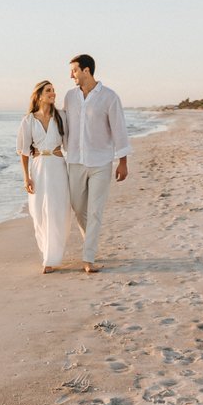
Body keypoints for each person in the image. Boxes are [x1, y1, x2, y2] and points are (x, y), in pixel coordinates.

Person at [62, 54, 132, 273]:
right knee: (78, 206)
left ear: (86, 71)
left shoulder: (109, 97)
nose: (70, 74)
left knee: (94, 212)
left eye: (74, 70)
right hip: (75, 161)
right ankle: (89, 242)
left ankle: (88, 257)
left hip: (101, 162)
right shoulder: (69, 97)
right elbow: (64, 124)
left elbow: (119, 129)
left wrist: (123, 162)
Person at [17, 80, 71, 273]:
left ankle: (51, 258)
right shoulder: (28, 120)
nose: (53, 93)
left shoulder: (61, 116)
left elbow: (70, 145)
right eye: (49, 91)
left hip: (58, 166)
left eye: (54, 90)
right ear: (39, 95)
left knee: (57, 212)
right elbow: (23, 152)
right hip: (38, 169)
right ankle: (47, 252)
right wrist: (26, 178)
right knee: (39, 213)